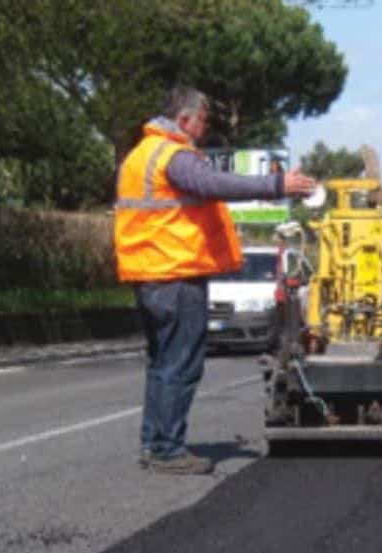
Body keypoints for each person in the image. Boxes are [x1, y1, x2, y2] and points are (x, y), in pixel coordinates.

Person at [115, 86, 317, 475]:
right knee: (181, 364)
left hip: (151, 272)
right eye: (203, 121)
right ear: (185, 119)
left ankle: (155, 443)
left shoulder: (140, 155)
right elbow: (215, 185)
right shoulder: (173, 155)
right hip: (176, 274)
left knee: (162, 363)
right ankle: (167, 451)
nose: (205, 129)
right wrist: (277, 186)